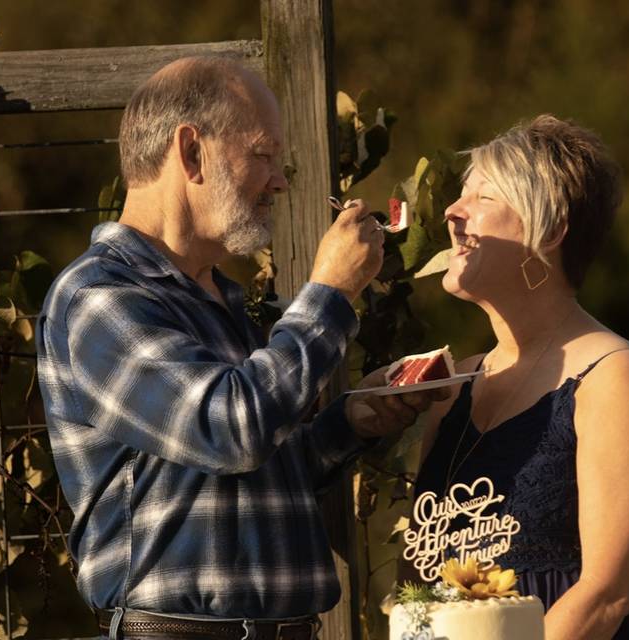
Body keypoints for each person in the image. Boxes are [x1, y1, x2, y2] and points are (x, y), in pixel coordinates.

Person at [36, 56, 443, 640]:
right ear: (191, 152)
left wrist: (348, 423)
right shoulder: (100, 298)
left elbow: (246, 481)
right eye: (262, 155)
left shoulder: (220, 301)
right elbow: (230, 429)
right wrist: (329, 292)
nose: (279, 180)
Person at [411, 115, 629, 639]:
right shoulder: (452, 390)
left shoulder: (616, 378)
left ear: (551, 231)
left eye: (484, 199)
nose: (451, 211)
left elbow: (608, 594)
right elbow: (424, 588)